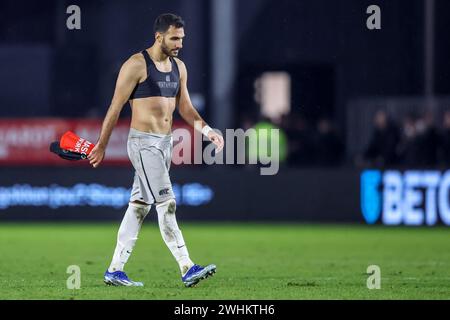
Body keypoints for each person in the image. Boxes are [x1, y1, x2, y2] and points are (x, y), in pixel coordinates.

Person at [87, 13, 224, 287]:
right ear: (159, 36)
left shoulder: (179, 67)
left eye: (182, 39)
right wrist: (101, 145)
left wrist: (208, 131)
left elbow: (185, 107)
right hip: (142, 143)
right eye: (174, 38)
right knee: (167, 203)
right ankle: (187, 266)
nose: (180, 44)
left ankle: (115, 270)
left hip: (164, 144)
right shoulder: (136, 65)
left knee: (139, 207)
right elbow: (115, 107)